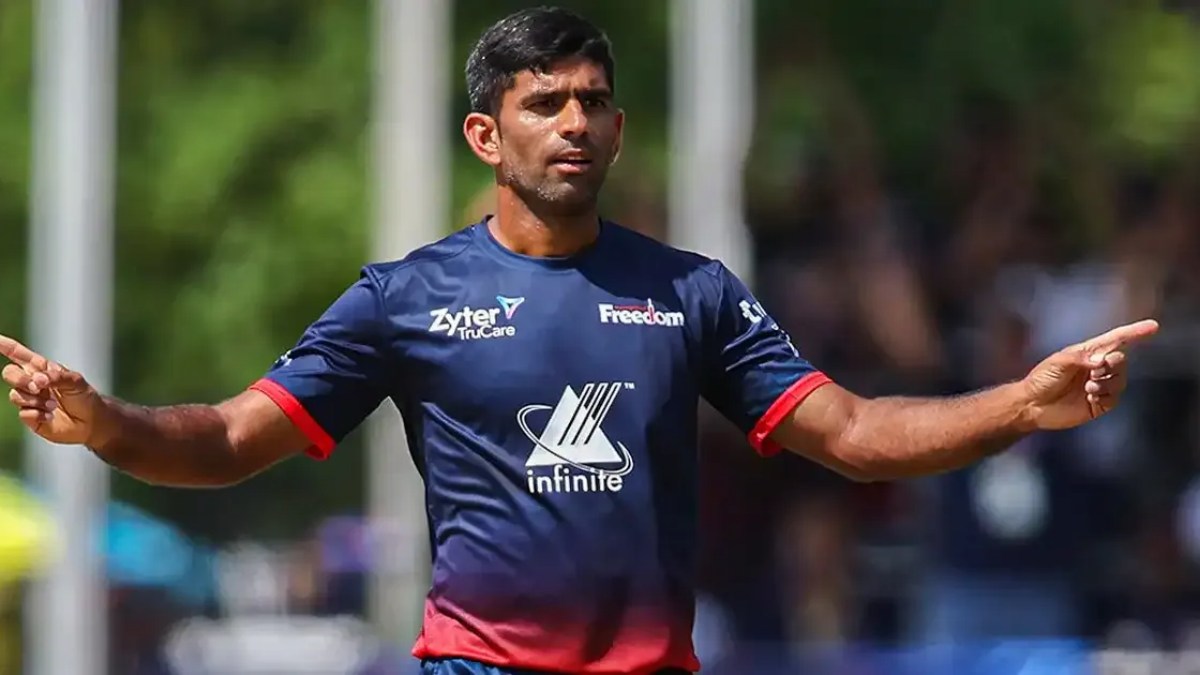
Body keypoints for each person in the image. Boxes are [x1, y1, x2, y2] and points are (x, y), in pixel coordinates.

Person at [0, 7, 1158, 675]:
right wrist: (109, 426)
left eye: (593, 102)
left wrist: (1022, 402)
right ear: (485, 135)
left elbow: (853, 433)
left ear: (618, 127)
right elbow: (227, 439)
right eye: (545, 103)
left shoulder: (691, 292)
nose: (575, 124)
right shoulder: (407, 297)